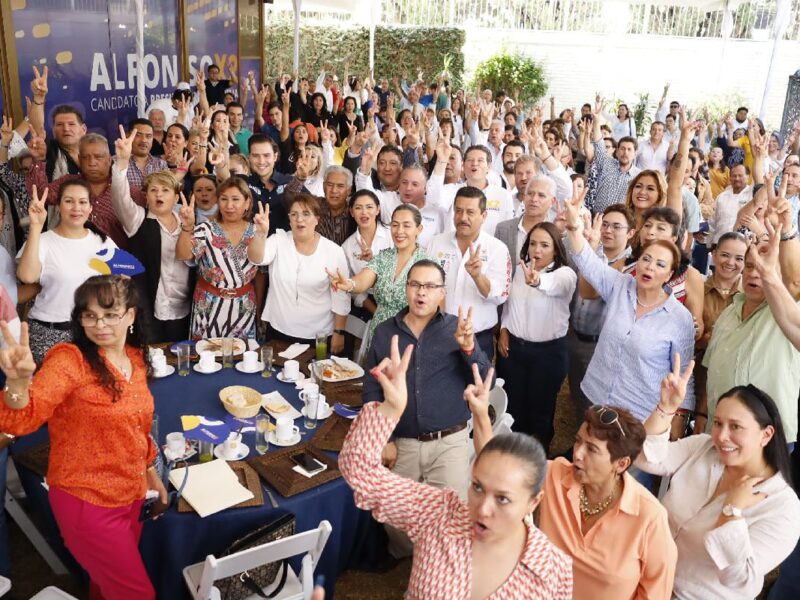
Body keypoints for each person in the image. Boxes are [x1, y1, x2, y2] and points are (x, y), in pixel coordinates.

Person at [342, 336, 572, 597]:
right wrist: (390, 409)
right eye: (476, 487)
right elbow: (360, 473)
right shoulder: (439, 515)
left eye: (503, 499)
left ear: (533, 502)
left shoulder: (552, 572)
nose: (482, 508)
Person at [0, 275, 167, 599]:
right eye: (89, 315)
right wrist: (18, 384)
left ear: (131, 315)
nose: (99, 324)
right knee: (137, 594)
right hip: (87, 504)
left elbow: (137, 427)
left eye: (110, 313)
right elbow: (23, 418)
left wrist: (150, 473)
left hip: (130, 496)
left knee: (105, 587)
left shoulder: (135, 358)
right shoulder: (69, 361)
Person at [469, 384, 676, 599]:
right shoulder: (555, 476)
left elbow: (656, 592)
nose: (577, 454)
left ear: (621, 464)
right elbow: (498, 467)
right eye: (578, 442)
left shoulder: (650, 518)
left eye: (592, 449)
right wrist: (481, 413)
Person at [636, 355, 800, 600]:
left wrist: (731, 511)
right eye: (718, 423)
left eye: (735, 427)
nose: (722, 436)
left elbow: (739, 579)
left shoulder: (784, 507)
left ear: (766, 435)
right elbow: (646, 458)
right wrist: (666, 408)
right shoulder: (703, 448)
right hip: (646, 577)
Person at [363, 260, 492, 557]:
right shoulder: (385, 332)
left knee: (451, 519)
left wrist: (469, 348)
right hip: (404, 442)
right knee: (394, 516)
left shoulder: (455, 330)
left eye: (430, 287)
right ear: (406, 289)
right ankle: (415, 557)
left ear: (441, 293)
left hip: (449, 441)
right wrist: (385, 438)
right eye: (415, 285)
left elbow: (486, 378)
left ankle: (438, 565)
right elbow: (372, 388)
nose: (422, 293)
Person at [563, 190, 695, 426]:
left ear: (669, 274)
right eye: (646, 259)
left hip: (639, 414)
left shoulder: (679, 318)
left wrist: (676, 424)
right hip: (597, 396)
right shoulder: (620, 285)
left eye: (660, 264)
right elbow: (587, 260)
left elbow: (683, 373)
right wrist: (574, 227)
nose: (650, 267)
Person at [701, 237, 800, 445]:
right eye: (749, 266)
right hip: (718, 434)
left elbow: (795, 281)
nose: (755, 273)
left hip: (766, 441)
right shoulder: (728, 313)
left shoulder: (786, 314)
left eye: (765, 268)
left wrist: (787, 233)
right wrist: (702, 418)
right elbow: (711, 371)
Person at [17, 182, 117, 363]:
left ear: (90, 208)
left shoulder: (102, 242)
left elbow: (122, 282)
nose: (76, 208)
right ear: (58, 206)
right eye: (69, 201)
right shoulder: (43, 240)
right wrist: (35, 227)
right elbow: (27, 276)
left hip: (91, 333)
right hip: (49, 333)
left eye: (82, 202)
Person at [497, 222, 575, 449]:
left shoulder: (565, 274)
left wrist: (538, 280)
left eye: (544, 245)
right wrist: (503, 329)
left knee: (541, 408)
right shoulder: (521, 272)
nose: (537, 250)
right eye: (533, 243)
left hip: (548, 354)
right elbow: (511, 306)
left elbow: (552, 284)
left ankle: (539, 455)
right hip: (515, 351)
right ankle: (513, 452)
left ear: (556, 249)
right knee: (513, 404)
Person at [111, 127, 192, 343]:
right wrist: (122, 162)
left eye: (165, 190)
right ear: (145, 196)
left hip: (184, 308)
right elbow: (120, 196)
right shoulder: (138, 219)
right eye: (154, 190)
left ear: (176, 197)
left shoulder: (187, 221)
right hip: (149, 307)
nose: (159, 194)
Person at [248, 194, 349, 353]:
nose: (299, 219)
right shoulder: (279, 240)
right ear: (289, 220)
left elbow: (341, 296)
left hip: (318, 336)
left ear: (317, 218)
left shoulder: (334, 251)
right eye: (294, 214)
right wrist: (260, 234)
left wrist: (339, 332)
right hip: (279, 330)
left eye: (306, 214)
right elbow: (256, 258)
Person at [567, 204, 634, 428]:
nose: (608, 230)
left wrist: (592, 249)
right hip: (575, 338)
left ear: (631, 233)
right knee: (578, 397)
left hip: (599, 347)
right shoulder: (589, 252)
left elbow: (591, 290)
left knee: (596, 406)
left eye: (616, 226)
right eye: (605, 224)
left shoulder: (629, 268)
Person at [427, 187, 511, 360]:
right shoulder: (436, 244)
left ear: (484, 216)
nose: (463, 218)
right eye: (458, 211)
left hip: (478, 339)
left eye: (470, 212)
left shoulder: (497, 249)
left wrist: (477, 276)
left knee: (476, 386)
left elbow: (500, 297)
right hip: (439, 335)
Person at [328, 204, 427, 342]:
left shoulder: (427, 263)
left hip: (410, 336)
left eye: (406, 226)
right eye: (395, 225)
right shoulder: (384, 257)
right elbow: (363, 280)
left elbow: (435, 308)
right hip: (379, 333)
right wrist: (349, 283)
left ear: (419, 229)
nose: (399, 231)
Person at [176, 177, 258, 340]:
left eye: (235, 199)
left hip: (244, 306)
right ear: (217, 201)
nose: (229, 206)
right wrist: (187, 227)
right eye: (224, 199)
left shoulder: (257, 231)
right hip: (208, 305)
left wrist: (260, 307)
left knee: (242, 357)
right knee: (205, 357)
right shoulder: (206, 228)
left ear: (247, 203)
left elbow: (261, 273)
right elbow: (183, 255)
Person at [693, 232, 747, 432]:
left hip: (732, 386)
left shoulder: (751, 298)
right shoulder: (697, 288)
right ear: (713, 254)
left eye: (739, 258)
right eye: (725, 255)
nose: (731, 262)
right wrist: (701, 339)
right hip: (696, 380)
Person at [340, 190, 393, 320]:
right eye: (358, 208)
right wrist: (376, 312)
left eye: (369, 207)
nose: (364, 212)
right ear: (352, 212)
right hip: (367, 305)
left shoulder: (393, 235)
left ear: (378, 209)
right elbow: (351, 286)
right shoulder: (347, 246)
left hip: (394, 298)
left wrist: (373, 259)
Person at [584, 98, 641, 214]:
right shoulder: (606, 163)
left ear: (635, 154)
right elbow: (599, 142)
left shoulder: (639, 176)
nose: (625, 152)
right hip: (598, 219)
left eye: (629, 149)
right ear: (617, 151)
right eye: (622, 148)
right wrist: (596, 121)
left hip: (622, 224)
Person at [707, 164, 753, 247]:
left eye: (740, 176)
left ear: (748, 176)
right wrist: (709, 244)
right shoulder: (721, 197)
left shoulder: (752, 196)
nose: (737, 178)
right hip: (718, 243)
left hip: (742, 245)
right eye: (734, 176)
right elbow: (712, 222)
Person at [124, 119, 169, 192]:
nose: (144, 140)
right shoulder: (117, 163)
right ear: (128, 135)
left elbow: (168, 190)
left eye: (148, 136)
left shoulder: (161, 164)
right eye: (138, 135)